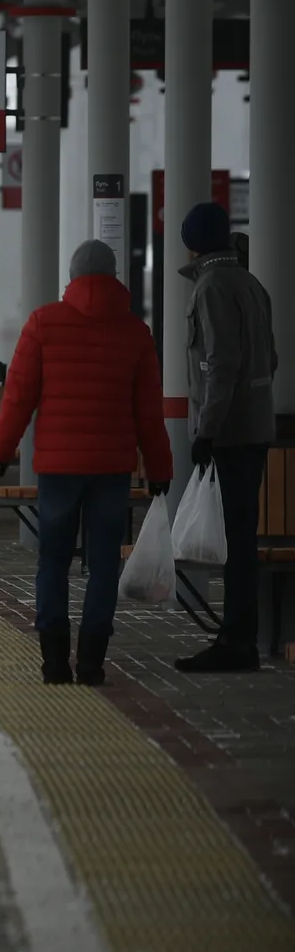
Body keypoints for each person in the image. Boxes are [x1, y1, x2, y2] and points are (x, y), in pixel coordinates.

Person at [0, 239, 173, 685]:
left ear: (71, 277)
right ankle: (91, 662)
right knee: (104, 563)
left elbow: (18, 397)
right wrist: (160, 469)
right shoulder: (136, 333)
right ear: (114, 278)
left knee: (52, 561)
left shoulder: (42, 324)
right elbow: (149, 411)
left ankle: (54, 662)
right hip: (112, 467)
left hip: (57, 468)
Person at [175, 202, 278, 673]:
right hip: (254, 429)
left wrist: (206, 431)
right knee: (241, 537)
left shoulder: (212, 287)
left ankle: (237, 642)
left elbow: (220, 364)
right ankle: (240, 636)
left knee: (236, 542)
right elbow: (269, 359)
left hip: (231, 433)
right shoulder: (251, 284)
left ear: (192, 243)